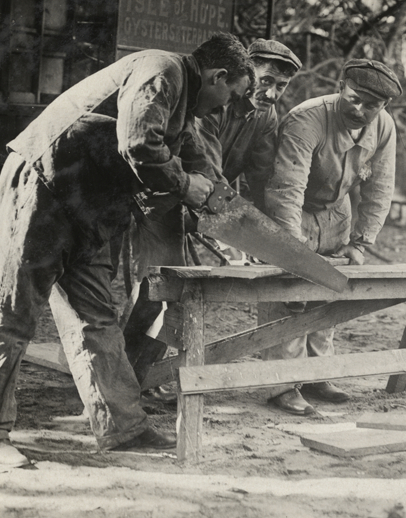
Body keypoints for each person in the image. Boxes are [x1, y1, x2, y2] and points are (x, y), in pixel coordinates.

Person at [0, 33, 253, 467]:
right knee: (13, 312)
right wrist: (186, 185)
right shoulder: (162, 72)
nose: (227, 106)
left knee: (96, 320)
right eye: (232, 95)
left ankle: (124, 430)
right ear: (219, 76)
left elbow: (196, 164)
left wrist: (226, 208)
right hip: (44, 189)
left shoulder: (183, 103)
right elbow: (138, 143)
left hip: (90, 208)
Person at [120, 39, 303, 394]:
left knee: (177, 293)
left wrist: (262, 234)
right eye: (265, 81)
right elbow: (206, 165)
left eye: (281, 87)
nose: (271, 93)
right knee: (159, 288)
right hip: (164, 196)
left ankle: (141, 378)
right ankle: (122, 381)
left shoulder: (265, 116)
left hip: (204, 200)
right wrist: (231, 232)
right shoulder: (211, 103)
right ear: (245, 72)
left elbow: (261, 177)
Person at [261, 58, 400, 415]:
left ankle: (317, 375)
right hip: (295, 211)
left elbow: (380, 188)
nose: (360, 109)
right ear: (341, 87)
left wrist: (360, 242)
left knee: (327, 294)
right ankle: (282, 384)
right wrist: (290, 250)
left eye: (372, 105)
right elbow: (286, 189)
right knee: (290, 293)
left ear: (384, 106)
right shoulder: (307, 119)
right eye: (353, 98)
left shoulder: (384, 127)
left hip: (337, 213)